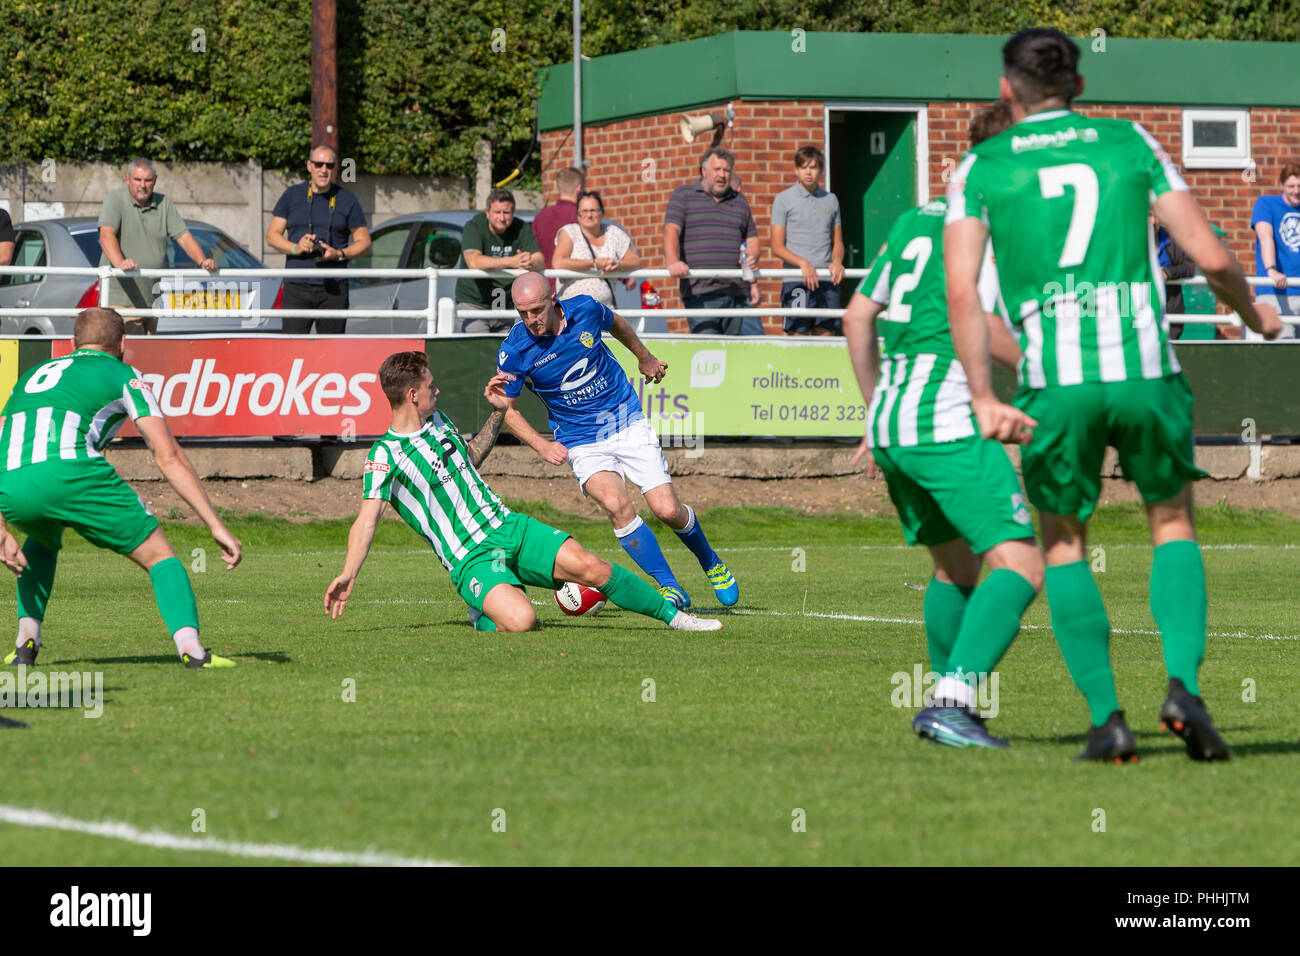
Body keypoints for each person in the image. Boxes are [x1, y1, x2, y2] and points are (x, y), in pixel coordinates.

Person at [944, 27, 1282, 762]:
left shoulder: (979, 166)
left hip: (1053, 384)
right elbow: (1211, 254)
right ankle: (1183, 686)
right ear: (1080, 87)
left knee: (1063, 542)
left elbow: (964, 293)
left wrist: (980, 395)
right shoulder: (1130, 140)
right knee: (1171, 523)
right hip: (1144, 369)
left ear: (1008, 89)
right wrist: (1254, 313)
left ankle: (1108, 721)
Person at [844, 101, 1041, 749]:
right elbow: (977, 320)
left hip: (897, 417)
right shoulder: (990, 217)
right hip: (946, 414)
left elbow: (855, 318)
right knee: (1020, 562)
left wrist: (875, 416)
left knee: (955, 569)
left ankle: (950, 705)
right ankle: (951, 699)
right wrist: (1054, 372)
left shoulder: (912, 218)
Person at [324, 350, 721, 633]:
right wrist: (348, 572)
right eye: (431, 385)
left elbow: (469, 459)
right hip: (470, 557)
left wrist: (499, 410)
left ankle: (677, 619)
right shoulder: (384, 456)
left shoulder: (438, 421)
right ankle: (483, 610)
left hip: (509, 526)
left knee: (592, 568)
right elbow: (366, 521)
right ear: (412, 394)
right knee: (522, 621)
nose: (437, 390)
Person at [0, 307, 243, 670]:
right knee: (160, 557)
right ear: (123, 343)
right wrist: (214, 522)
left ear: (72, 343)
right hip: (72, 474)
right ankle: (192, 650)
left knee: (43, 539)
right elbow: (169, 455)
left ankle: (25, 641)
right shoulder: (125, 374)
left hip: (13, 482)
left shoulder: (33, 373)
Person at [497, 272, 738, 611]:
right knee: (616, 506)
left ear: (552, 298)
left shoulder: (585, 309)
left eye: (536, 310)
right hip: (581, 440)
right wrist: (541, 444)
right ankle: (669, 586)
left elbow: (618, 324)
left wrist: (644, 357)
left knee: (666, 510)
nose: (531, 320)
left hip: (624, 419)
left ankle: (710, 561)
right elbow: (505, 409)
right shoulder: (515, 349)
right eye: (522, 313)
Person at [98, 158, 218, 334]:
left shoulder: (164, 203)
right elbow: (106, 235)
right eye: (138, 180)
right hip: (121, 299)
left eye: (148, 180)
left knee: (148, 354)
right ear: (128, 179)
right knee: (131, 353)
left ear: (155, 181)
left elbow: (184, 237)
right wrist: (120, 263)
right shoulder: (115, 199)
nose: (143, 185)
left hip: (151, 298)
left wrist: (203, 261)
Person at [265, 144, 372, 334]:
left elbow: (364, 242)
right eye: (319, 164)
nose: (324, 170)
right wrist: (295, 248)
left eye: (329, 165)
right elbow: (272, 235)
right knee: (292, 350)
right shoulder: (292, 195)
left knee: (331, 352)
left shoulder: (347, 199)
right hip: (297, 286)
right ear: (309, 166)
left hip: (334, 288)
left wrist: (339, 253)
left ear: (335, 168)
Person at [664, 147, 762, 335]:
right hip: (701, 292)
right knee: (710, 353)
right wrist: (672, 261)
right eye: (717, 169)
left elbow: (752, 238)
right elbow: (671, 229)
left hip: (737, 292)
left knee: (739, 355)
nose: (722, 175)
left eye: (726, 170)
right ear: (704, 171)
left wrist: (752, 257)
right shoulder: (683, 195)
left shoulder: (740, 200)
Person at [771, 146, 845, 335]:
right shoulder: (783, 199)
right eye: (803, 167)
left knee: (826, 336)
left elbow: (837, 242)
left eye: (813, 167)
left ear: (820, 170)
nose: (808, 172)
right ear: (796, 170)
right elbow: (777, 246)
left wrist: (837, 262)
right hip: (797, 279)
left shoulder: (832, 200)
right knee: (798, 337)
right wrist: (803, 264)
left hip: (827, 280)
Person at [455, 188, 543, 333]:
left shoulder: (520, 227)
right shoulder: (475, 226)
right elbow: (474, 262)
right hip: (474, 301)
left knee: (505, 352)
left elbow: (539, 259)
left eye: (506, 212)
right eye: (497, 212)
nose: (502, 218)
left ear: (513, 213)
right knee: (479, 350)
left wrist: (529, 261)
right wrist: (512, 261)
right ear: (487, 212)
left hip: (505, 302)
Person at [553, 190, 641, 306]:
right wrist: (593, 264)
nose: (589, 215)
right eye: (584, 211)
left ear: (602, 213)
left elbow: (636, 261)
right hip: (573, 310)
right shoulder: (569, 232)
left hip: (605, 309)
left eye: (593, 210)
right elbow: (558, 263)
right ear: (578, 214)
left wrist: (617, 264)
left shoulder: (613, 232)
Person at [1248, 163, 1300, 340]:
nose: (1296, 191)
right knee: (1282, 352)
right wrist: (1272, 270)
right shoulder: (1266, 204)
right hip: (1276, 293)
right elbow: (1265, 237)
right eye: (1291, 186)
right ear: (1282, 186)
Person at [531, 166, 585, 284]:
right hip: (573, 286)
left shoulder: (540, 217)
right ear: (579, 188)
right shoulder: (583, 216)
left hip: (544, 284)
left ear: (558, 187)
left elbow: (532, 251)